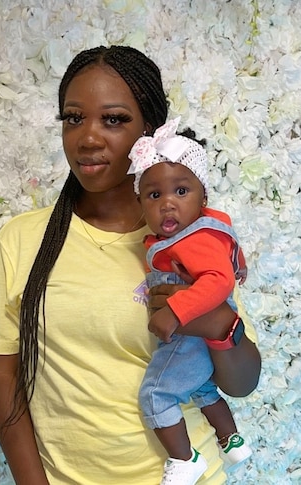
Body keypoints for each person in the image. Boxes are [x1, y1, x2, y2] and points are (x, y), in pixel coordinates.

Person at [0, 45, 261, 485]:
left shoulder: (191, 241)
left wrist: (222, 325)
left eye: (113, 119)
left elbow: (241, 384)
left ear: (150, 133)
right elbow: (3, 378)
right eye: (74, 118)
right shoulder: (21, 241)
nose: (88, 137)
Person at [130, 117, 252, 484]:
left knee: (155, 394)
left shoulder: (191, 238)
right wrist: (240, 262)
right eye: (154, 196)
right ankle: (232, 440)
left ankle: (185, 459)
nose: (168, 204)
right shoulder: (209, 229)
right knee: (200, 387)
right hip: (202, 337)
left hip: (191, 329)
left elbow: (218, 278)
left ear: (204, 197)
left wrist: (175, 312)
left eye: (181, 192)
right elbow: (227, 255)